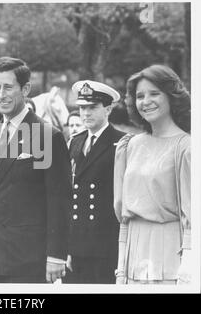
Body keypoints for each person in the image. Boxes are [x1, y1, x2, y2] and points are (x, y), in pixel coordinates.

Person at [0, 57, 72, 283]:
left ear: (26, 89)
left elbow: (60, 199)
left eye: (8, 87)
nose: (1, 95)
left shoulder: (48, 136)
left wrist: (56, 256)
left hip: (29, 260)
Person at [114, 64, 191, 284]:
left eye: (154, 94)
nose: (145, 101)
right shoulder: (130, 145)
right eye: (140, 96)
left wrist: (188, 269)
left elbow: (193, 219)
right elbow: (124, 216)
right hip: (132, 252)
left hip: (169, 253)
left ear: (171, 97)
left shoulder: (186, 147)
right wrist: (121, 269)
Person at [64, 80, 125, 284]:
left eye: (92, 107)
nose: (85, 113)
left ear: (108, 109)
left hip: (106, 246)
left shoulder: (121, 143)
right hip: (76, 245)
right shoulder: (75, 141)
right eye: (82, 108)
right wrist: (66, 247)